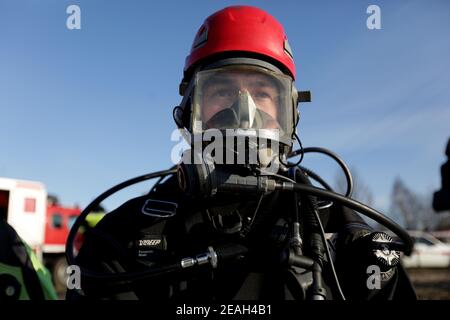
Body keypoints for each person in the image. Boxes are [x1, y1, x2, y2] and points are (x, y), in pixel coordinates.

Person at [67, 5, 417, 300]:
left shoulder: (338, 230)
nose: (244, 112)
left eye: (263, 94)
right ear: (188, 111)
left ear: (291, 114)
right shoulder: (121, 238)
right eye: (221, 91)